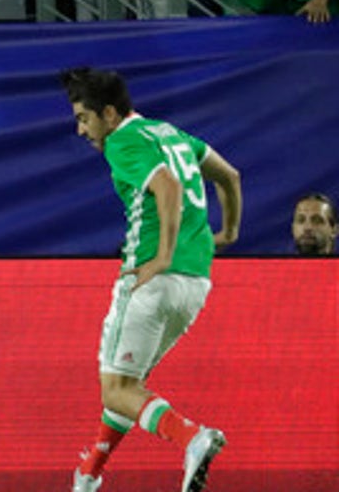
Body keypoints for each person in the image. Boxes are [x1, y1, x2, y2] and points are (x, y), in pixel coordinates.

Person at [59, 67, 243, 492]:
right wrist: (230, 232)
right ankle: (89, 473)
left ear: (108, 113)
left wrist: (161, 257)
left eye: (84, 118)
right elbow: (230, 176)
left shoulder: (121, 140)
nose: (81, 129)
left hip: (151, 281)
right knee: (128, 386)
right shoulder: (170, 133)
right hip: (196, 284)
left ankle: (191, 438)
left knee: (116, 389)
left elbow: (168, 185)